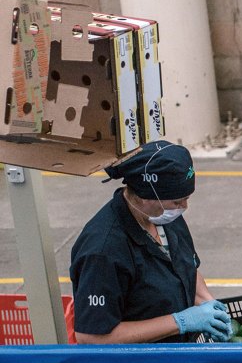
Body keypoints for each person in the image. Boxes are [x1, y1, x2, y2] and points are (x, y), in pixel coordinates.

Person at [70, 140, 232, 344]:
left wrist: (208, 303)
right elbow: (91, 337)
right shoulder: (103, 251)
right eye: (177, 201)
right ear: (146, 196)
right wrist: (181, 321)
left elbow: (187, 266)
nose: (184, 206)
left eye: (186, 197)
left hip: (178, 356)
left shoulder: (164, 216)